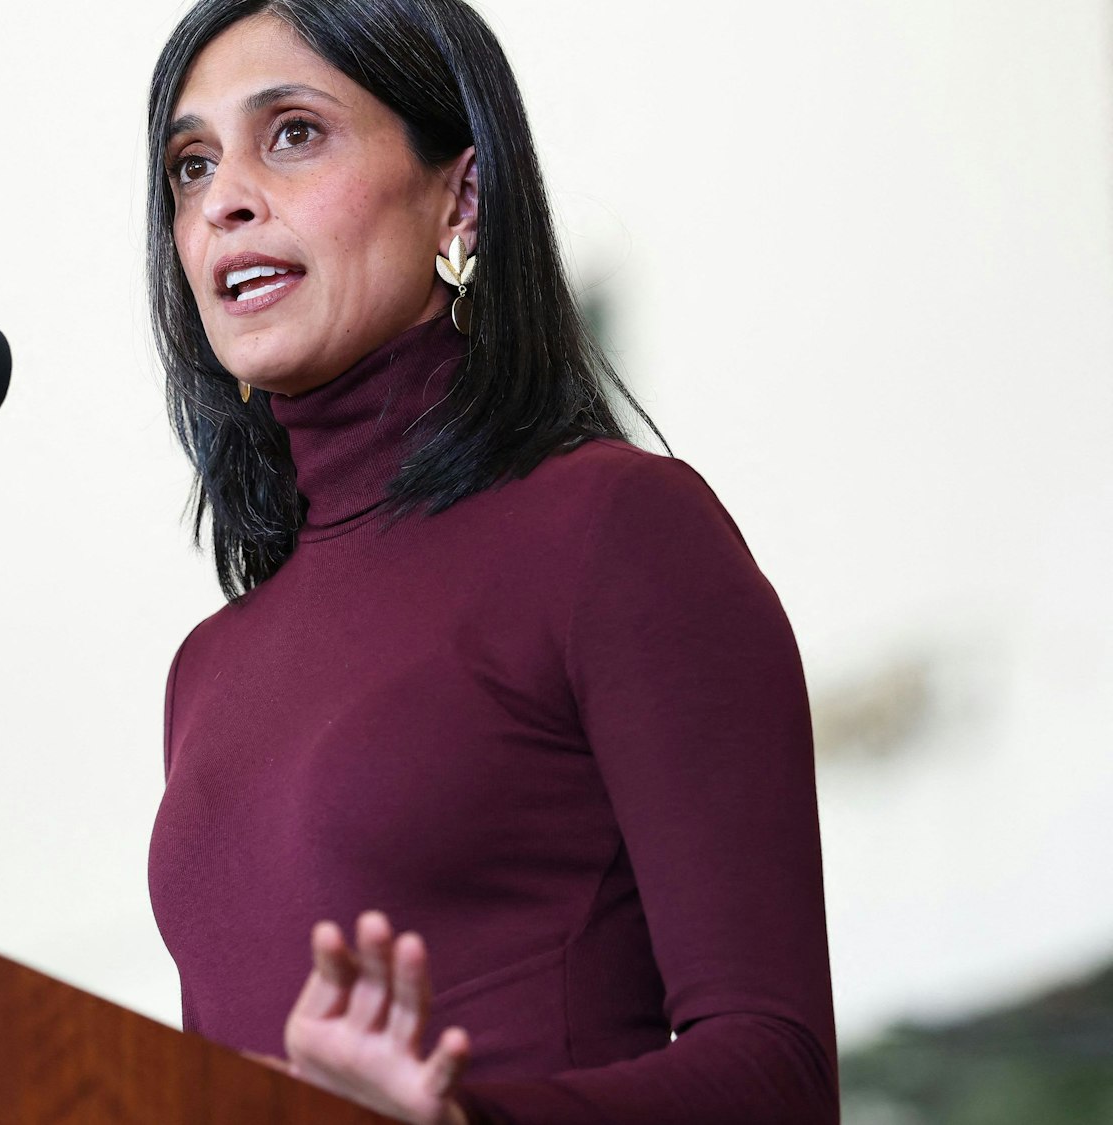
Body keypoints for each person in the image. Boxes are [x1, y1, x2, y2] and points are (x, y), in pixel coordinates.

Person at [141, 2, 839, 1123]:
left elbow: (777, 1074)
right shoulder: (206, 671)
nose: (223, 198)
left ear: (458, 197)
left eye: (292, 135)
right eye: (188, 164)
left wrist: (460, 1121)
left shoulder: (613, 530)